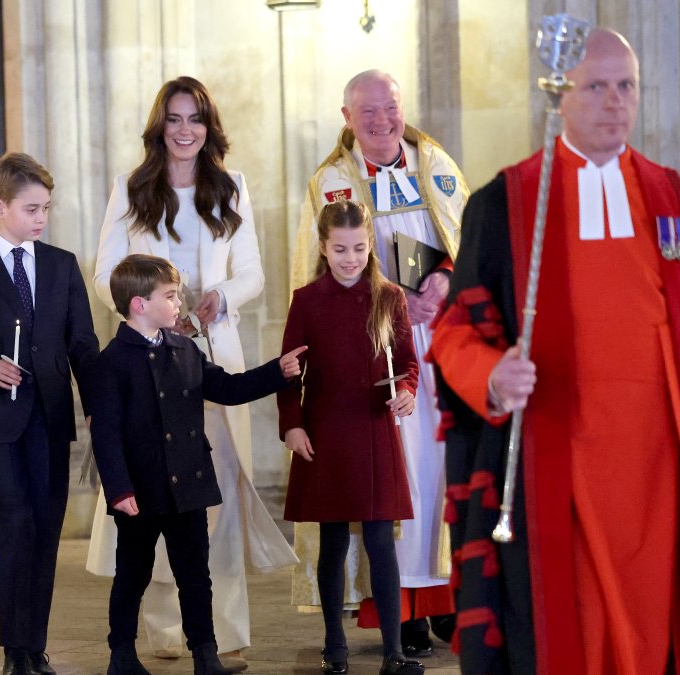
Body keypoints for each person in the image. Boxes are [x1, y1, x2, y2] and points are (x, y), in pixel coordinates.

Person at [430, 28, 680, 674]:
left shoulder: (669, 197)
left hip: (659, 474)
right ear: (561, 95)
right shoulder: (507, 203)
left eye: (626, 86)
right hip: (558, 464)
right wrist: (493, 374)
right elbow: (453, 331)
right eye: (595, 87)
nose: (614, 102)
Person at [87, 76, 296, 669]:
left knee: (216, 493)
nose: (185, 130)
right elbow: (105, 272)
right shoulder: (132, 188)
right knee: (154, 491)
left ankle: (224, 632)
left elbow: (253, 271)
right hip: (146, 351)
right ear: (160, 126)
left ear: (208, 127)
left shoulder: (230, 188)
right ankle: (163, 629)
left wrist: (220, 298)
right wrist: (148, 308)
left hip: (212, 352)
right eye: (175, 119)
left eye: (195, 119)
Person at [291, 69, 466, 654]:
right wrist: (390, 304)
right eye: (367, 111)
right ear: (347, 117)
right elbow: (315, 276)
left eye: (389, 106)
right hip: (376, 355)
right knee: (396, 475)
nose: (381, 120)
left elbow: (465, 239)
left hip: (440, 346)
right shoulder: (331, 183)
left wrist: (444, 281)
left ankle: (445, 598)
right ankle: (402, 610)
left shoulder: (434, 163)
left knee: (441, 467)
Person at [90, 254, 303, 675]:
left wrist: (277, 372)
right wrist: (119, 490)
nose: (178, 303)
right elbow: (106, 435)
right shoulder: (112, 361)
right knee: (133, 574)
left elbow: (226, 387)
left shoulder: (184, 348)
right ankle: (122, 655)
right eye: (170, 296)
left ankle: (205, 654)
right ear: (139, 304)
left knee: (195, 574)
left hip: (188, 482)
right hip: (141, 489)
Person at [0, 152, 100, 675]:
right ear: (0, 207)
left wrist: (98, 409)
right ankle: (15, 650)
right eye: (31, 208)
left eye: (47, 208)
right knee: (15, 525)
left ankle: (35, 647)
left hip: (50, 420)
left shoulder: (61, 265)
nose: (41, 218)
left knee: (46, 531)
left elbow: (83, 344)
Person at [279, 200, 422, 675]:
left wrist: (405, 391)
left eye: (359, 248)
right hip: (325, 431)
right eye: (340, 249)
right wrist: (293, 423)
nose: (350, 258)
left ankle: (393, 651)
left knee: (382, 541)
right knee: (333, 540)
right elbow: (289, 373)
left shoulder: (389, 297)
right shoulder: (306, 299)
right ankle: (334, 644)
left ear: (369, 247)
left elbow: (406, 362)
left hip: (374, 429)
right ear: (323, 247)